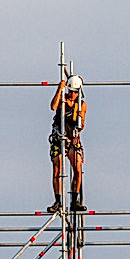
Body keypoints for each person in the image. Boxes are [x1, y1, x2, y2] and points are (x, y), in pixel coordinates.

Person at [47, 75, 86, 213]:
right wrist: (60, 89)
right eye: (70, 91)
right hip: (58, 138)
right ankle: (58, 201)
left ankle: (74, 200)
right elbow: (53, 106)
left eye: (75, 92)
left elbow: (82, 125)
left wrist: (80, 119)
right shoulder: (62, 100)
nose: (72, 94)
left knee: (77, 167)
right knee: (57, 169)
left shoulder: (81, 105)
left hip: (72, 139)